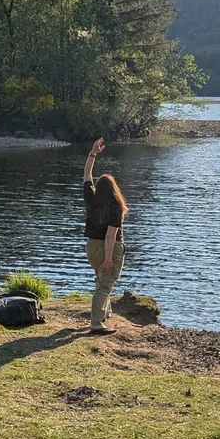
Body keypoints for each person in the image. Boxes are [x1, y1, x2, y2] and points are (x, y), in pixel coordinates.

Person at [82, 137, 127, 332]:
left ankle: (104, 313)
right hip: (108, 248)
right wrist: (109, 259)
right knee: (105, 285)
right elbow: (110, 236)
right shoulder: (116, 206)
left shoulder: (91, 199)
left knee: (101, 280)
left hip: (91, 248)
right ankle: (96, 323)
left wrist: (93, 154)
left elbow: (87, 174)